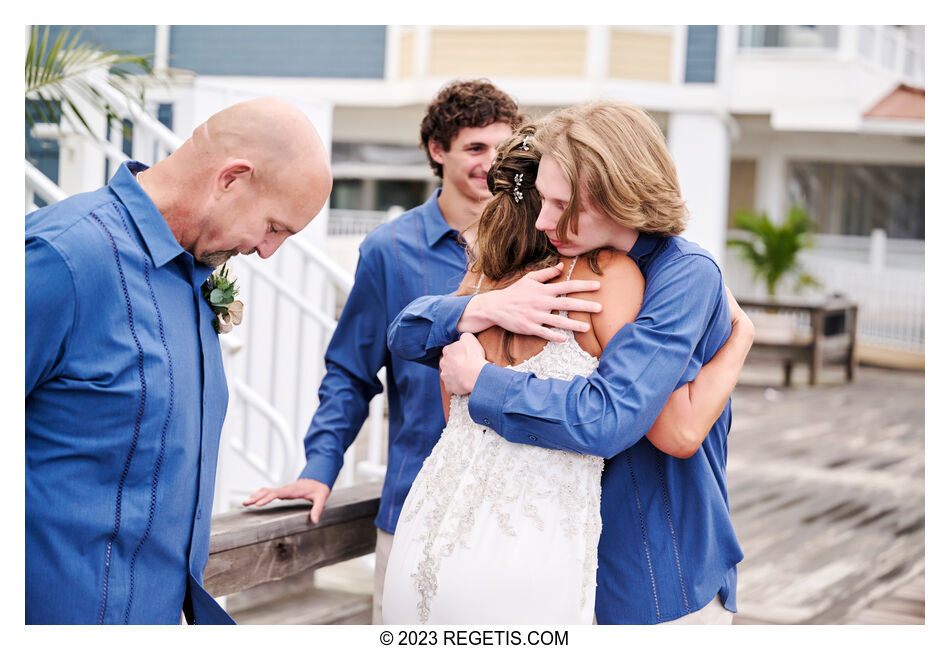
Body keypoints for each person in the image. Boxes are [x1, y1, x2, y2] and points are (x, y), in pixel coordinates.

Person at [388, 101, 751, 624]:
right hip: (567, 556)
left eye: (559, 204)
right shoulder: (546, 268)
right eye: (540, 201)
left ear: (613, 195)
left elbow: (626, 421)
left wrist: (481, 381)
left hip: (659, 561)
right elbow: (406, 333)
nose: (542, 219)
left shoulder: (682, 274)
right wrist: (483, 306)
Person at [25, 97, 332, 625]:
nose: (267, 251)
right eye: (275, 227)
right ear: (231, 179)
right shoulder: (61, 258)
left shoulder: (194, 273)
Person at [242, 79, 524, 623]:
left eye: (502, 149)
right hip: (414, 506)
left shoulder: (537, 244)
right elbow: (350, 373)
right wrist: (321, 466)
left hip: (509, 511)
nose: (492, 163)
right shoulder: (389, 251)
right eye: (475, 148)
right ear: (437, 151)